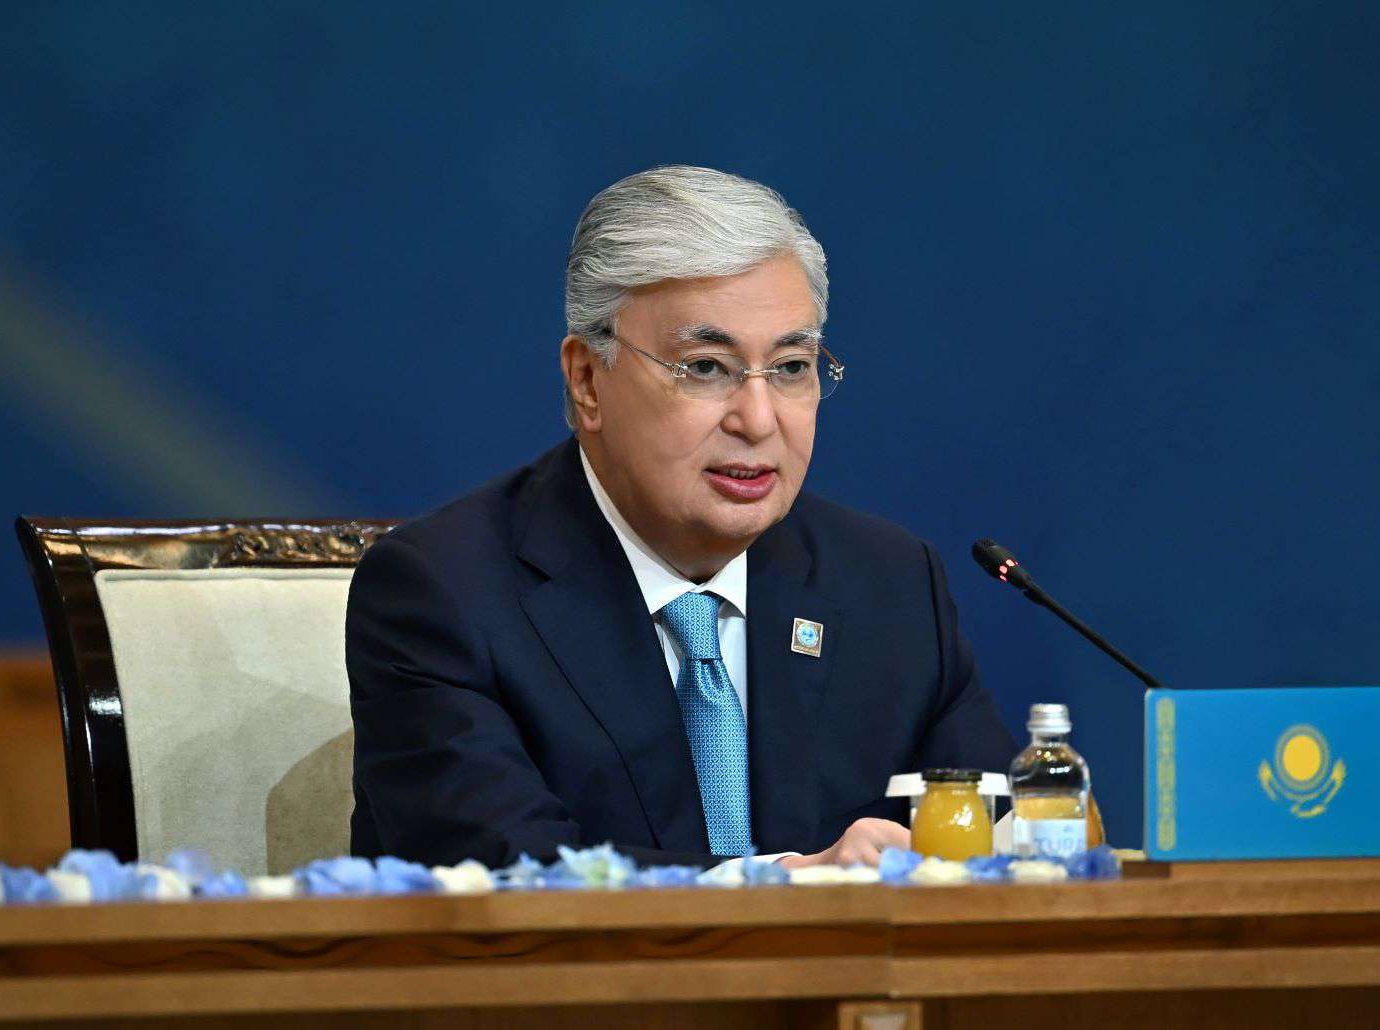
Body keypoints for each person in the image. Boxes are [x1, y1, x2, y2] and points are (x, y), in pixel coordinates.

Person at [347, 165, 1014, 870]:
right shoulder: (445, 594)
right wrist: (790, 888)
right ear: (587, 380)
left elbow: (1003, 842)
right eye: (705, 367)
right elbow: (511, 874)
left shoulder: (888, 583)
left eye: (791, 367)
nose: (758, 420)